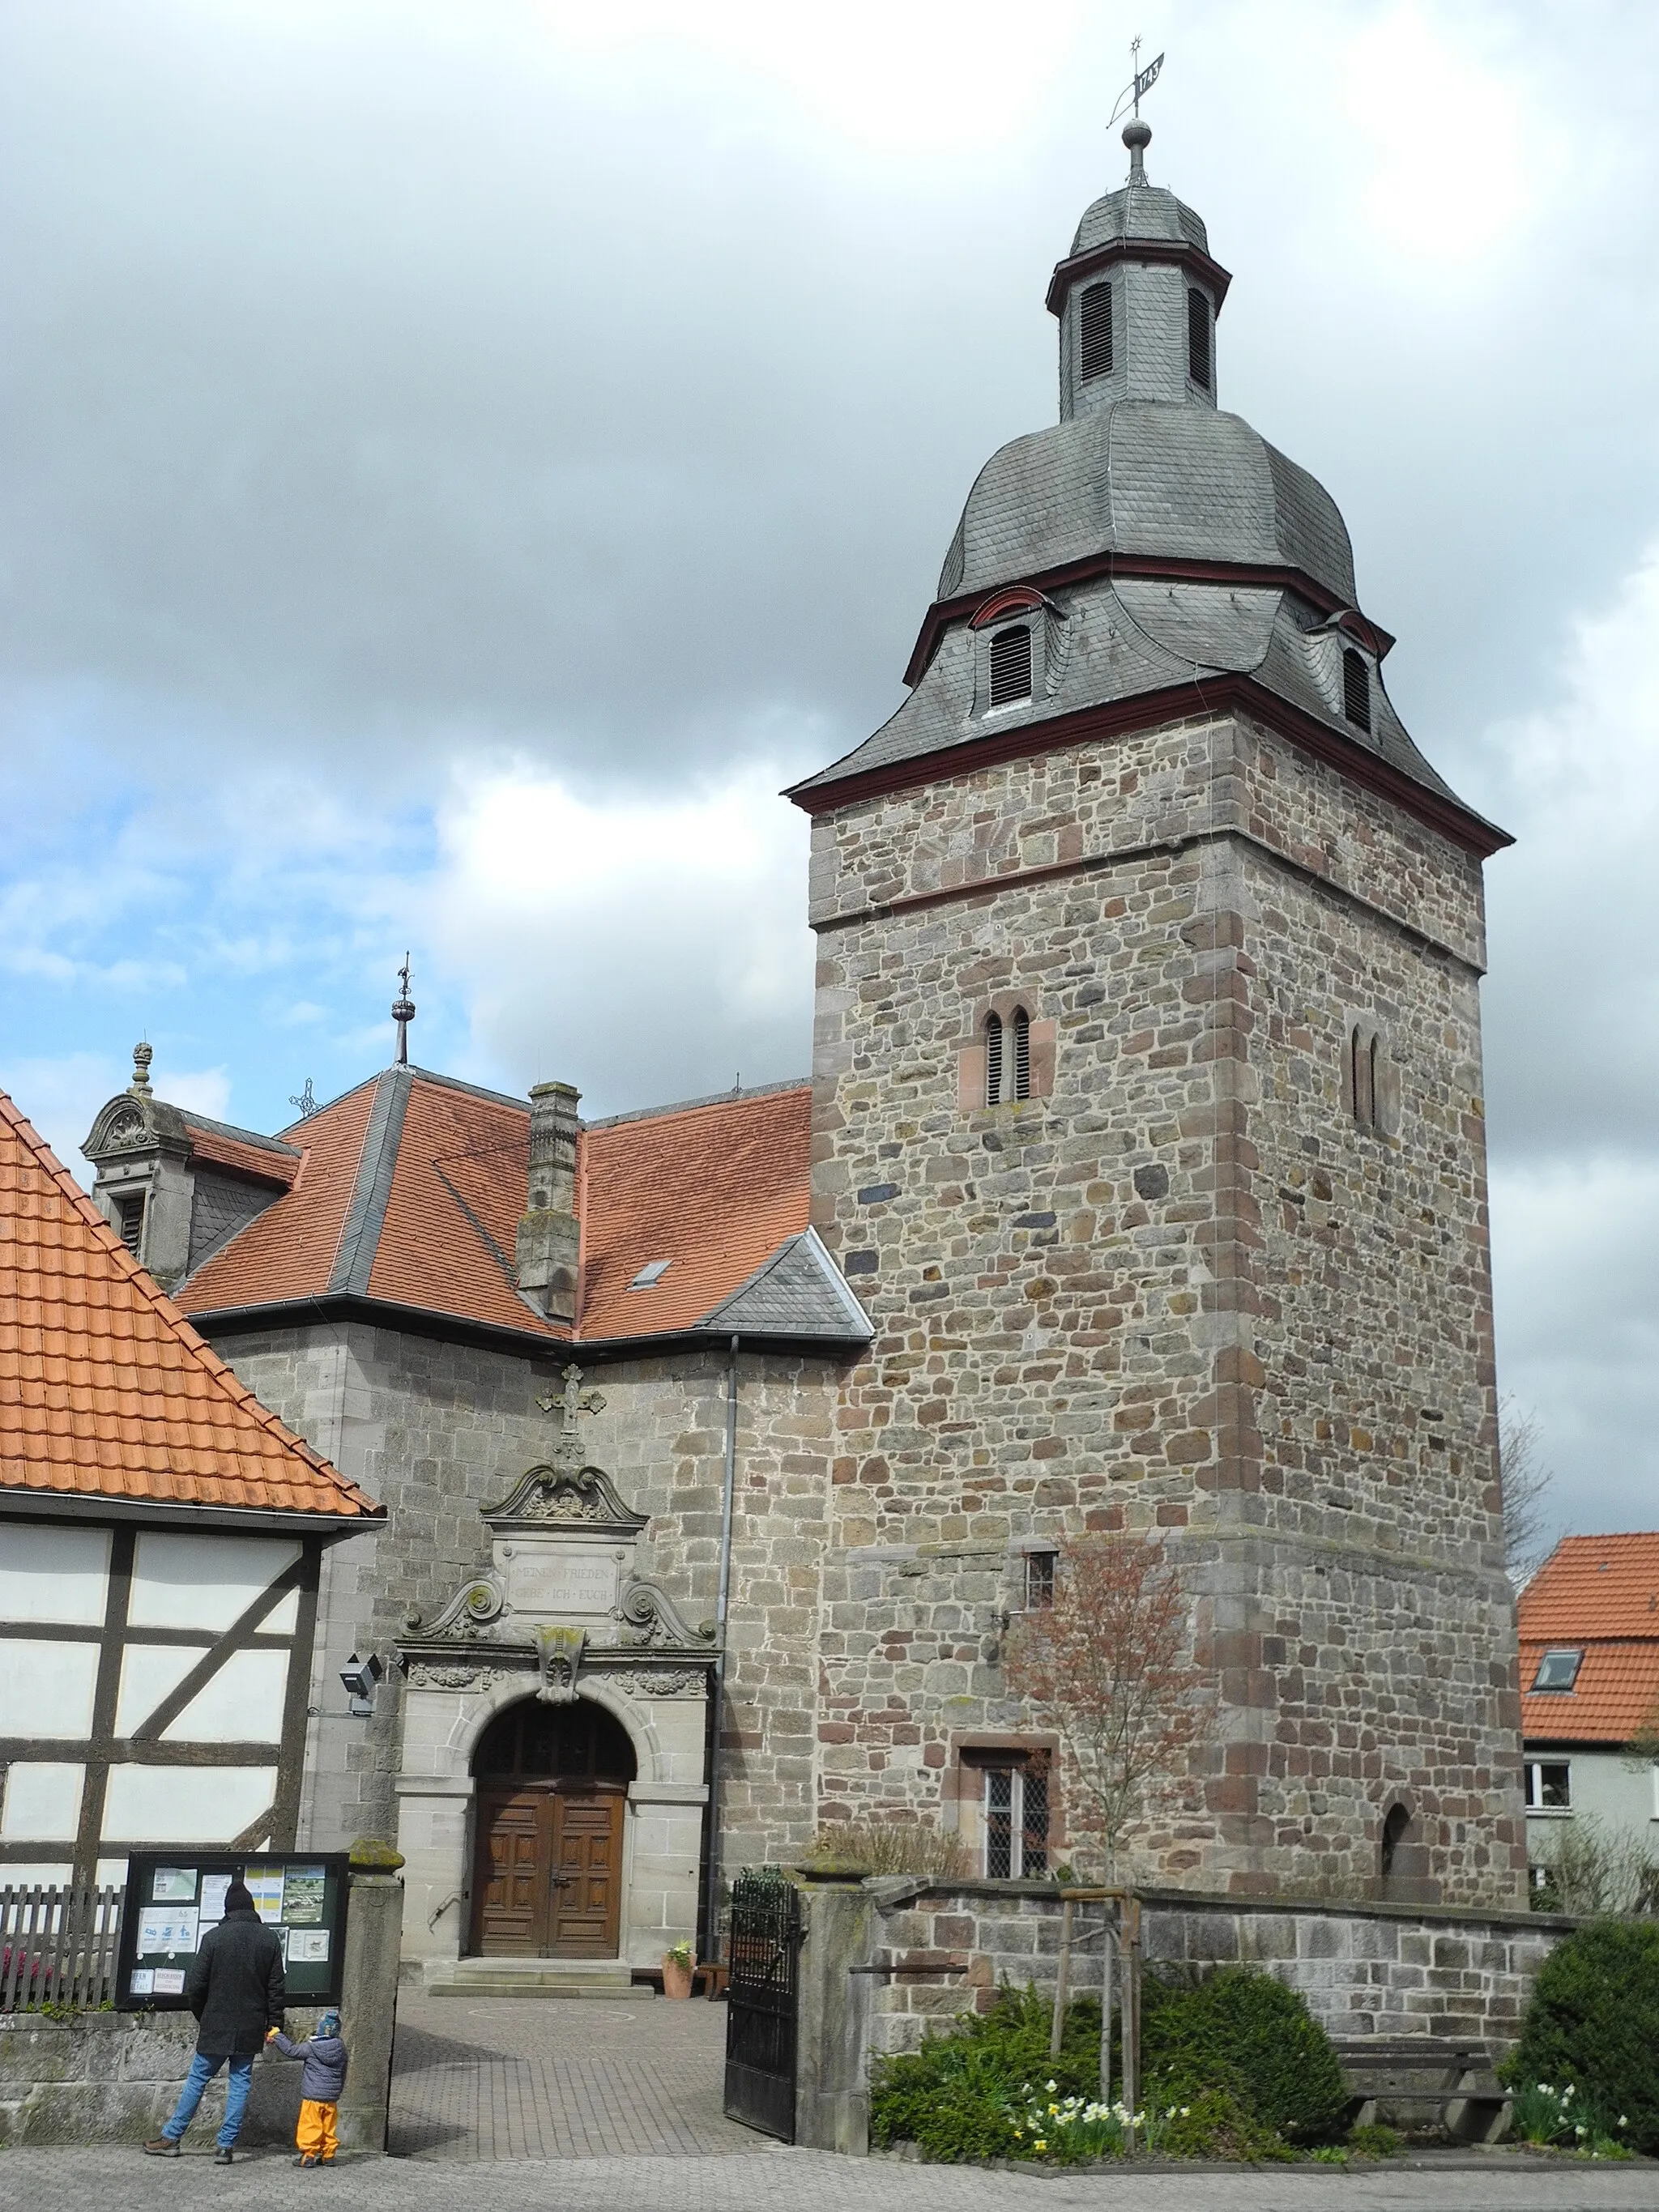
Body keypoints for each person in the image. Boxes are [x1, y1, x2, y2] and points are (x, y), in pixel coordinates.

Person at [143, 1878, 286, 2163]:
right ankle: (225, 2146)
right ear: (252, 1908)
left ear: (227, 1909)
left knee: (198, 2079)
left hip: (216, 2023)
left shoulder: (213, 1938)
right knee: (241, 2082)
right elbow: (276, 1988)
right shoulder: (269, 1939)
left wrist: (203, 2016)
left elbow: (196, 1986)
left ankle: (172, 2137)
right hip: (251, 2024)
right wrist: (274, 2023)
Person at [265, 2010, 349, 2167]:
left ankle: (308, 2156)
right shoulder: (341, 2048)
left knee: (311, 2125)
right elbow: (344, 2072)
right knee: (328, 2127)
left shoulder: (312, 2048)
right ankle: (328, 2155)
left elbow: (291, 2050)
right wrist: (338, 2090)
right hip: (331, 2098)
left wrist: (277, 2035)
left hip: (313, 2097)